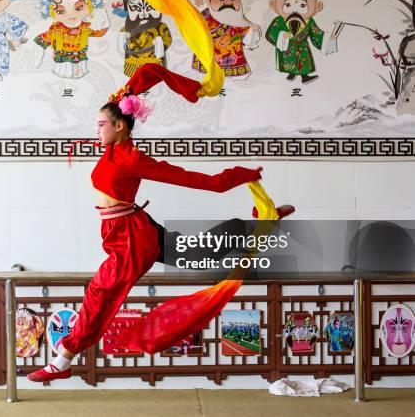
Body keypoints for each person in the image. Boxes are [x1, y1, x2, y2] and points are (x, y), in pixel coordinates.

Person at [27, 64, 292, 382]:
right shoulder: (111, 150)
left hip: (130, 237)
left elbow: (189, 179)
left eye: (101, 125)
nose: (96, 131)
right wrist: (164, 89)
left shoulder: (131, 159)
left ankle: (63, 359)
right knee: (194, 252)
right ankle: (262, 224)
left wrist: (235, 178)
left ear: (120, 127)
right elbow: (147, 72)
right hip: (131, 230)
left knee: (99, 293)